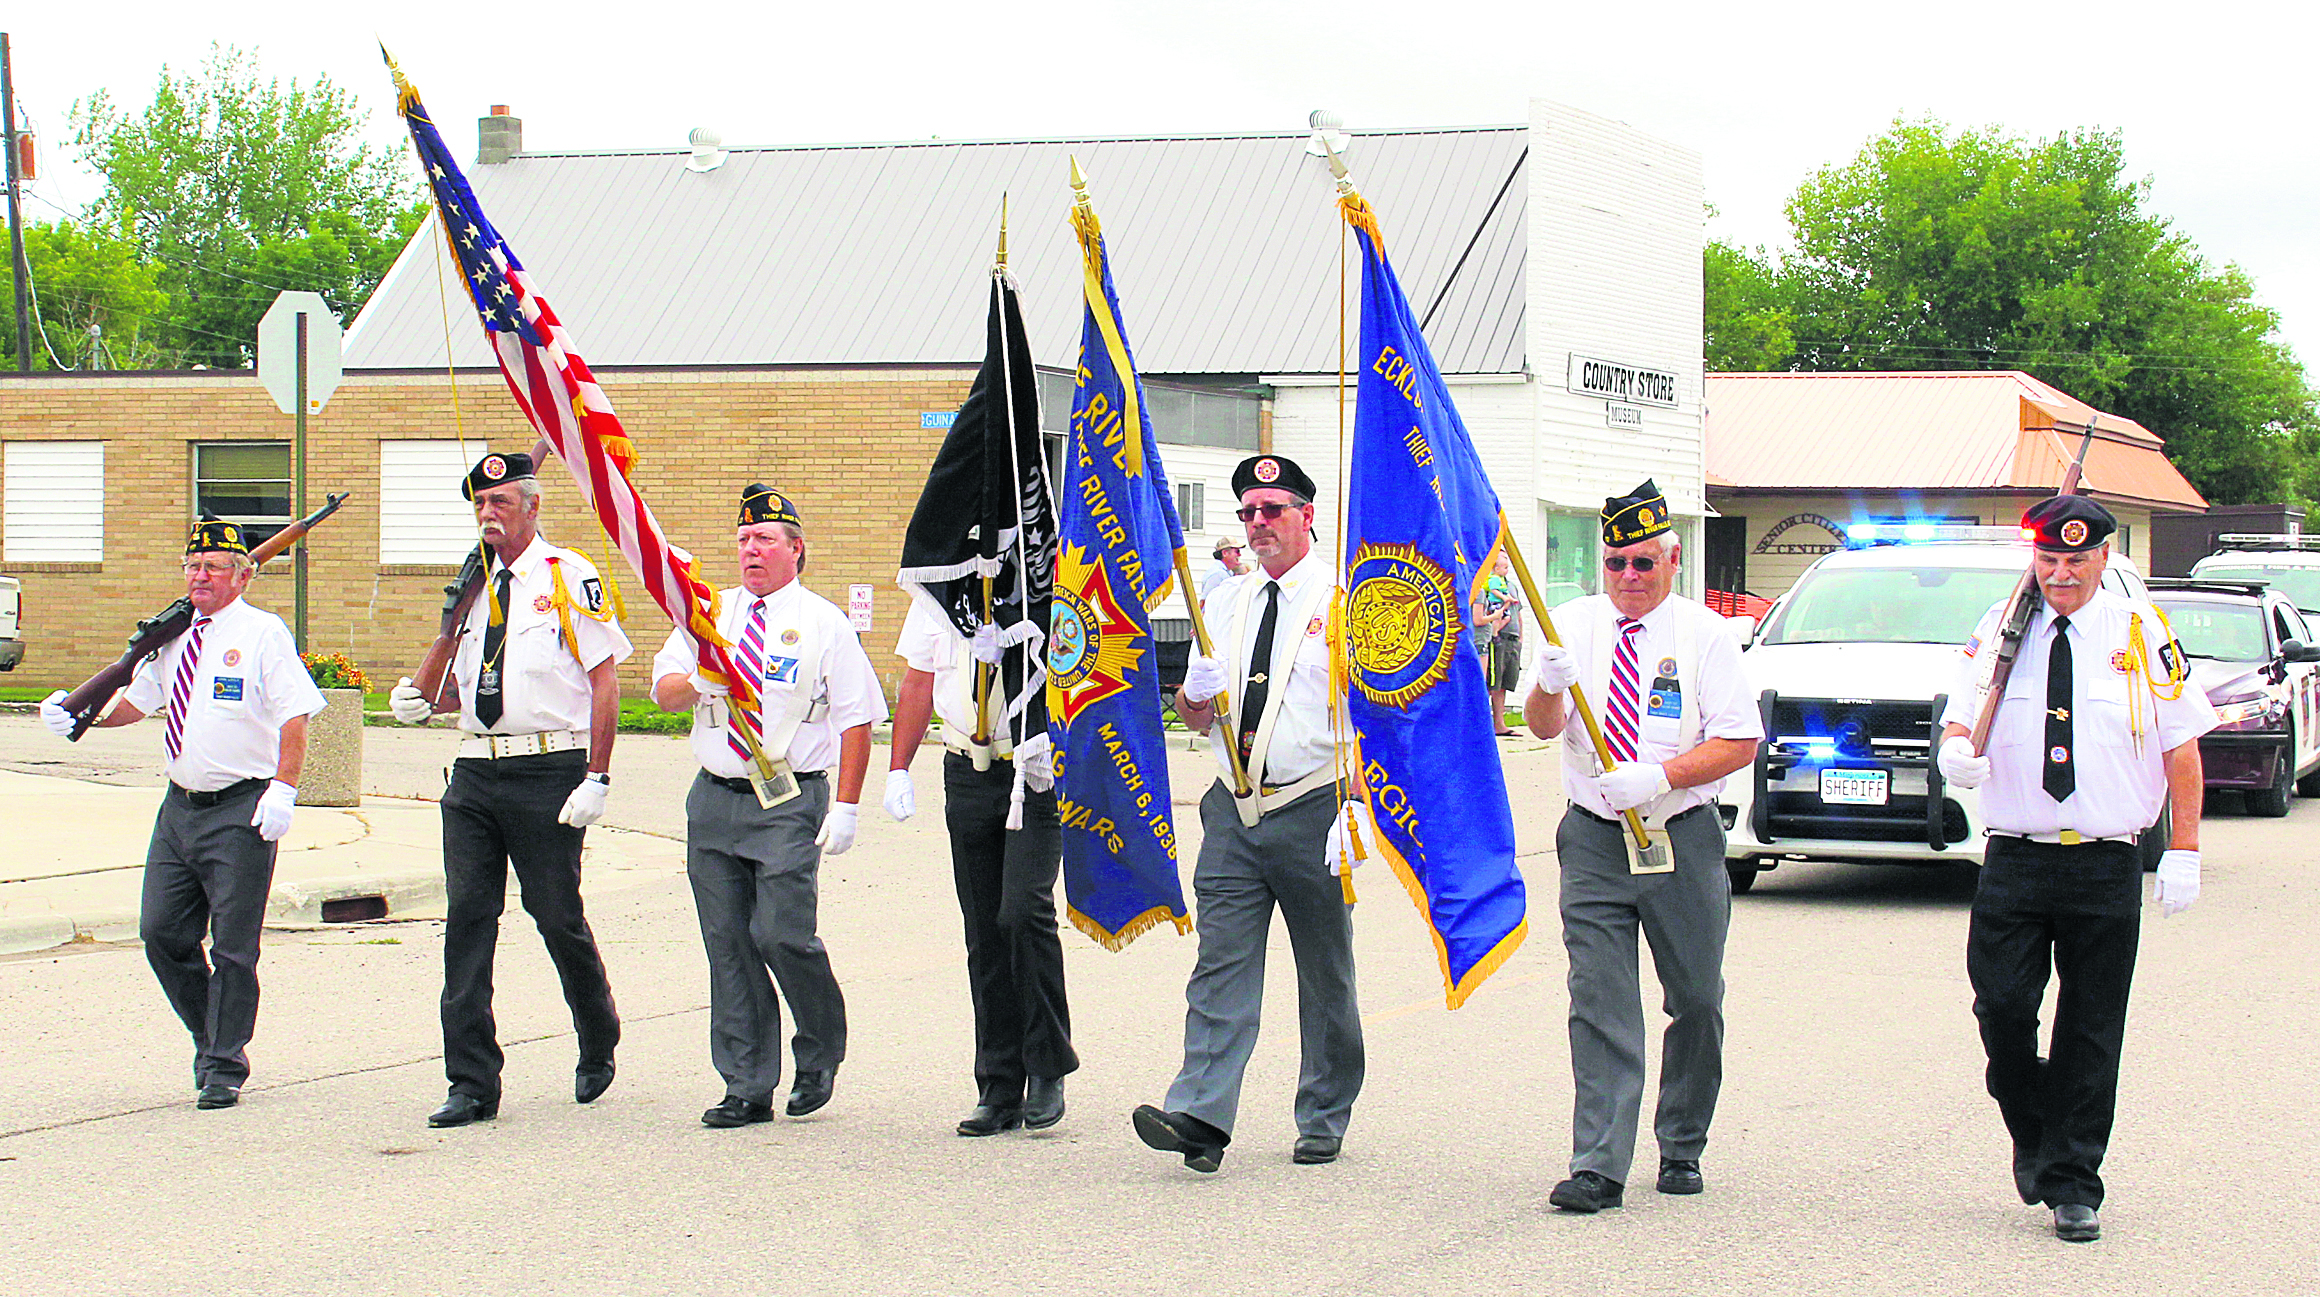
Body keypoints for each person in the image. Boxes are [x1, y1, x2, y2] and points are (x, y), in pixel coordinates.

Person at [1934, 494, 2213, 1244]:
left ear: (2105, 560)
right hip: (2015, 855)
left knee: (2092, 1025)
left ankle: (2074, 1182)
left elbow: (2182, 748)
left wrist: (2182, 850)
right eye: (2048, 558)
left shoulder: (2140, 631)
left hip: (2104, 861)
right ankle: (2034, 1124)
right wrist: (1954, 750)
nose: (2060, 573)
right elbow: (1961, 716)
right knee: (2001, 1008)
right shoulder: (2001, 627)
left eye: (2076, 559)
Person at [1522, 479, 1761, 1213]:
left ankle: (1682, 1137)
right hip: (1592, 837)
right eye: (1616, 562)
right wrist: (1549, 685)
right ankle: (1599, 1161)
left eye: (1643, 564)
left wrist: (1660, 773)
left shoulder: (1705, 635)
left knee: (1694, 996)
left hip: (1678, 835)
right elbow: (1537, 725)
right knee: (1599, 997)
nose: (1628, 578)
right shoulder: (1568, 624)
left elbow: (1740, 740)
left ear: (1674, 558)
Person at [1133, 452, 1365, 1173]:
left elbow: (1379, 718)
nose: (1259, 524)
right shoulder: (1226, 600)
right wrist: (1193, 695)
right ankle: (1202, 1112)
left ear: (1308, 516)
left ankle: (1324, 1110)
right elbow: (1194, 713)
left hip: (1314, 802)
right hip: (1235, 806)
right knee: (1220, 961)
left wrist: (1355, 810)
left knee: (1324, 969)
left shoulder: (1347, 600)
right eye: (1249, 513)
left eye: (1273, 510)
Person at [42, 519, 325, 1110]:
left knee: (233, 946)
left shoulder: (261, 632)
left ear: (243, 576)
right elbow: (138, 704)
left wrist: (284, 788)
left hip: (241, 806)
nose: (201, 575)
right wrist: (79, 714)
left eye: (215, 567)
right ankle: (208, 1034)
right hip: (180, 807)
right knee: (162, 932)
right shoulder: (174, 634)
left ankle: (224, 1064)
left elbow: (296, 713)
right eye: (193, 566)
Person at [388, 450, 629, 1129]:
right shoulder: (469, 589)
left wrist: (597, 774)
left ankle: (597, 1029)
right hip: (474, 769)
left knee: (555, 912)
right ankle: (470, 1079)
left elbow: (603, 680)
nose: (488, 513)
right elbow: (467, 685)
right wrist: (424, 701)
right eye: (480, 505)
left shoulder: (567, 575)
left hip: (547, 767)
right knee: (467, 918)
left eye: (500, 502)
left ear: (532, 505)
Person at [651, 484, 884, 1127]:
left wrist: (847, 806)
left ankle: (819, 1049)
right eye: (744, 540)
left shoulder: (822, 622)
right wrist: (698, 676)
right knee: (727, 942)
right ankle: (747, 1083)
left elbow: (856, 719)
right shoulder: (706, 614)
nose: (751, 551)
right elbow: (666, 692)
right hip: (716, 798)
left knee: (780, 933)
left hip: (786, 797)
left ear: (795, 550)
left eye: (765, 540)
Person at [886, 580, 1076, 1137]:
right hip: (965, 767)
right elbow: (919, 681)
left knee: (1023, 912)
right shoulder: (935, 593)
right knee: (983, 931)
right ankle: (998, 1084)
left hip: (1035, 767)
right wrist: (899, 766)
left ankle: (1046, 1067)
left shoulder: (1043, 581)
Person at [1473, 551, 1524, 735]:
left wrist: (1521, 637)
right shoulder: (1488, 586)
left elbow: (1518, 613)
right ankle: (1482, 724)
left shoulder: (1510, 586)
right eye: (1503, 564)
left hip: (1512, 638)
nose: (1506, 568)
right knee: (1491, 682)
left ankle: (1500, 725)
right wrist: (1495, 630)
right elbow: (1481, 615)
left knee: (1505, 684)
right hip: (1496, 638)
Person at [1200, 537, 1247, 604]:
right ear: (1225, 553)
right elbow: (1205, 602)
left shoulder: (1226, 572)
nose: (1240, 555)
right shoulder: (1217, 574)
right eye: (1237, 551)